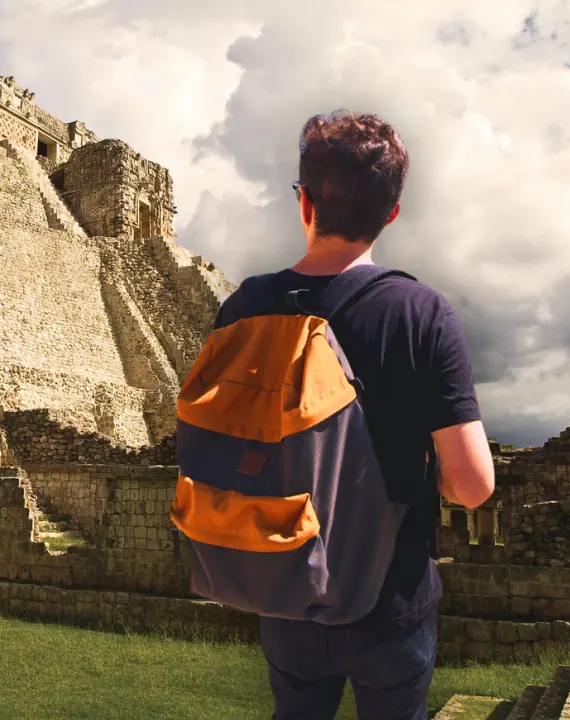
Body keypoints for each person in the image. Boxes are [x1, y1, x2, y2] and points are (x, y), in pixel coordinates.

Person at [211, 111, 496, 719]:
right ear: (391, 212)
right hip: (388, 595)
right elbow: (473, 486)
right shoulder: (420, 313)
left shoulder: (244, 308)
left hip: (284, 586)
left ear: (304, 202)